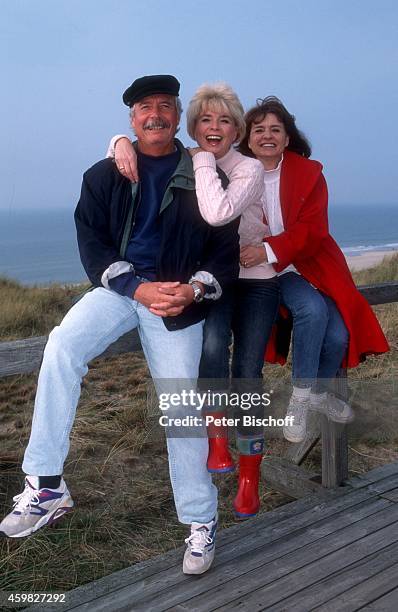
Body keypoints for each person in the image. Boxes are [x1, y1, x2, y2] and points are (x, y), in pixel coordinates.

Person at [0, 75, 241, 576]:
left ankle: (201, 521)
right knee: (62, 345)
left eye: (166, 106)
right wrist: (135, 288)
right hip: (120, 290)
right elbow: (92, 244)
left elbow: (224, 253)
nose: (156, 114)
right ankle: (46, 485)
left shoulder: (206, 173)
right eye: (145, 108)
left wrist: (194, 289)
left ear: (179, 118)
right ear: (131, 120)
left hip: (177, 298)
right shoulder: (104, 174)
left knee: (180, 403)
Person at [107, 83, 280, 519]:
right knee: (210, 349)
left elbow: (218, 213)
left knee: (248, 374)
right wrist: (119, 141)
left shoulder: (244, 168)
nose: (214, 127)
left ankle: (249, 476)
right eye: (205, 120)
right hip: (216, 279)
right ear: (194, 125)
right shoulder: (186, 157)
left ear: (237, 129)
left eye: (224, 120)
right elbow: (151, 141)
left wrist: (201, 157)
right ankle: (216, 437)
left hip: (256, 279)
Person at [238, 96, 390, 443]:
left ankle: (317, 395)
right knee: (311, 310)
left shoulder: (309, 174)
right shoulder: (235, 171)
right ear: (247, 138)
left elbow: (313, 229)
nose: (267, 135)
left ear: (287, 138)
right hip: (269, 274)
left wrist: (266, 249)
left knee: (338, 336)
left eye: (275, 129)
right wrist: (120, 143)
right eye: (258, 129)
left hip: (310, 264)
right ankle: (302, 400)